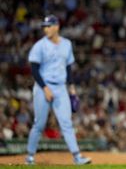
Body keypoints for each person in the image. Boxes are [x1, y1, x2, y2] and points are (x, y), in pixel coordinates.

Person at [25, 15, 91, 165]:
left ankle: (77, 156)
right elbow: (34, 70)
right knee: (39, 124)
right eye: (44, 27)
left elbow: (68, 68)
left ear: (57, 26)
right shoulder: (39, 45)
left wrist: (72, 88)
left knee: (66, 123)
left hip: (61, 87)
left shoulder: (67, 44)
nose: (46, 29)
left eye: (49, 26)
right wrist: (45, 88)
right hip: (43, 87)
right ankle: (29, 156)